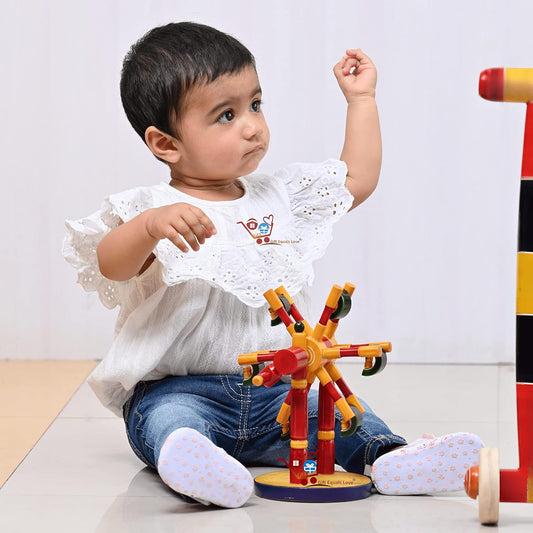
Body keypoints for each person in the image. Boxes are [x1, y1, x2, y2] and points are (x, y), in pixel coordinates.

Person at [63, 21, 483, 508]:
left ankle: (387, 457)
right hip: (181, 389)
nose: (252, 126)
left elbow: (357, 179)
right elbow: (111, 265)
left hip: (282, 389)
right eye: (225, 115)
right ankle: (191, 460)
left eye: (255, 105)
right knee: (168, 422)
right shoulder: (152, 208)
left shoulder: (281, 197)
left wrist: (361, 101)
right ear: (167, 144)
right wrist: (148, 227)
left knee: (341, 414)